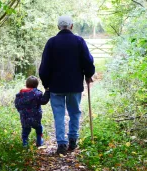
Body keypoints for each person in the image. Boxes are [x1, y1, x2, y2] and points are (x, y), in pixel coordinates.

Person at [39, 15, 95, 154]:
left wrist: (46, 84)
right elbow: (88, 61)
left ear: (58, 27)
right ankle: (73, 140)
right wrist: (89, 74)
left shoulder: (51, 43)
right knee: (74, 112)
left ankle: (61, 144)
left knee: (59, 115)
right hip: (74, 85)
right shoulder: (79, 41)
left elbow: (44, 67)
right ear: (71, 26)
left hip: (56, 87)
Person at [15, 76, 50, 147]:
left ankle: (25, 143)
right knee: (39, 128)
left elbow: (17, 104)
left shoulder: (20, 94)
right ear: (36, 85)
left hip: (24, 117)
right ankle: (39, 141)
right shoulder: (37, 94)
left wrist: (21, 111)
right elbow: (43, 101)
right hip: (36, 116)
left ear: (26, 84)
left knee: (25, 130)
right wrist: (47, 92)